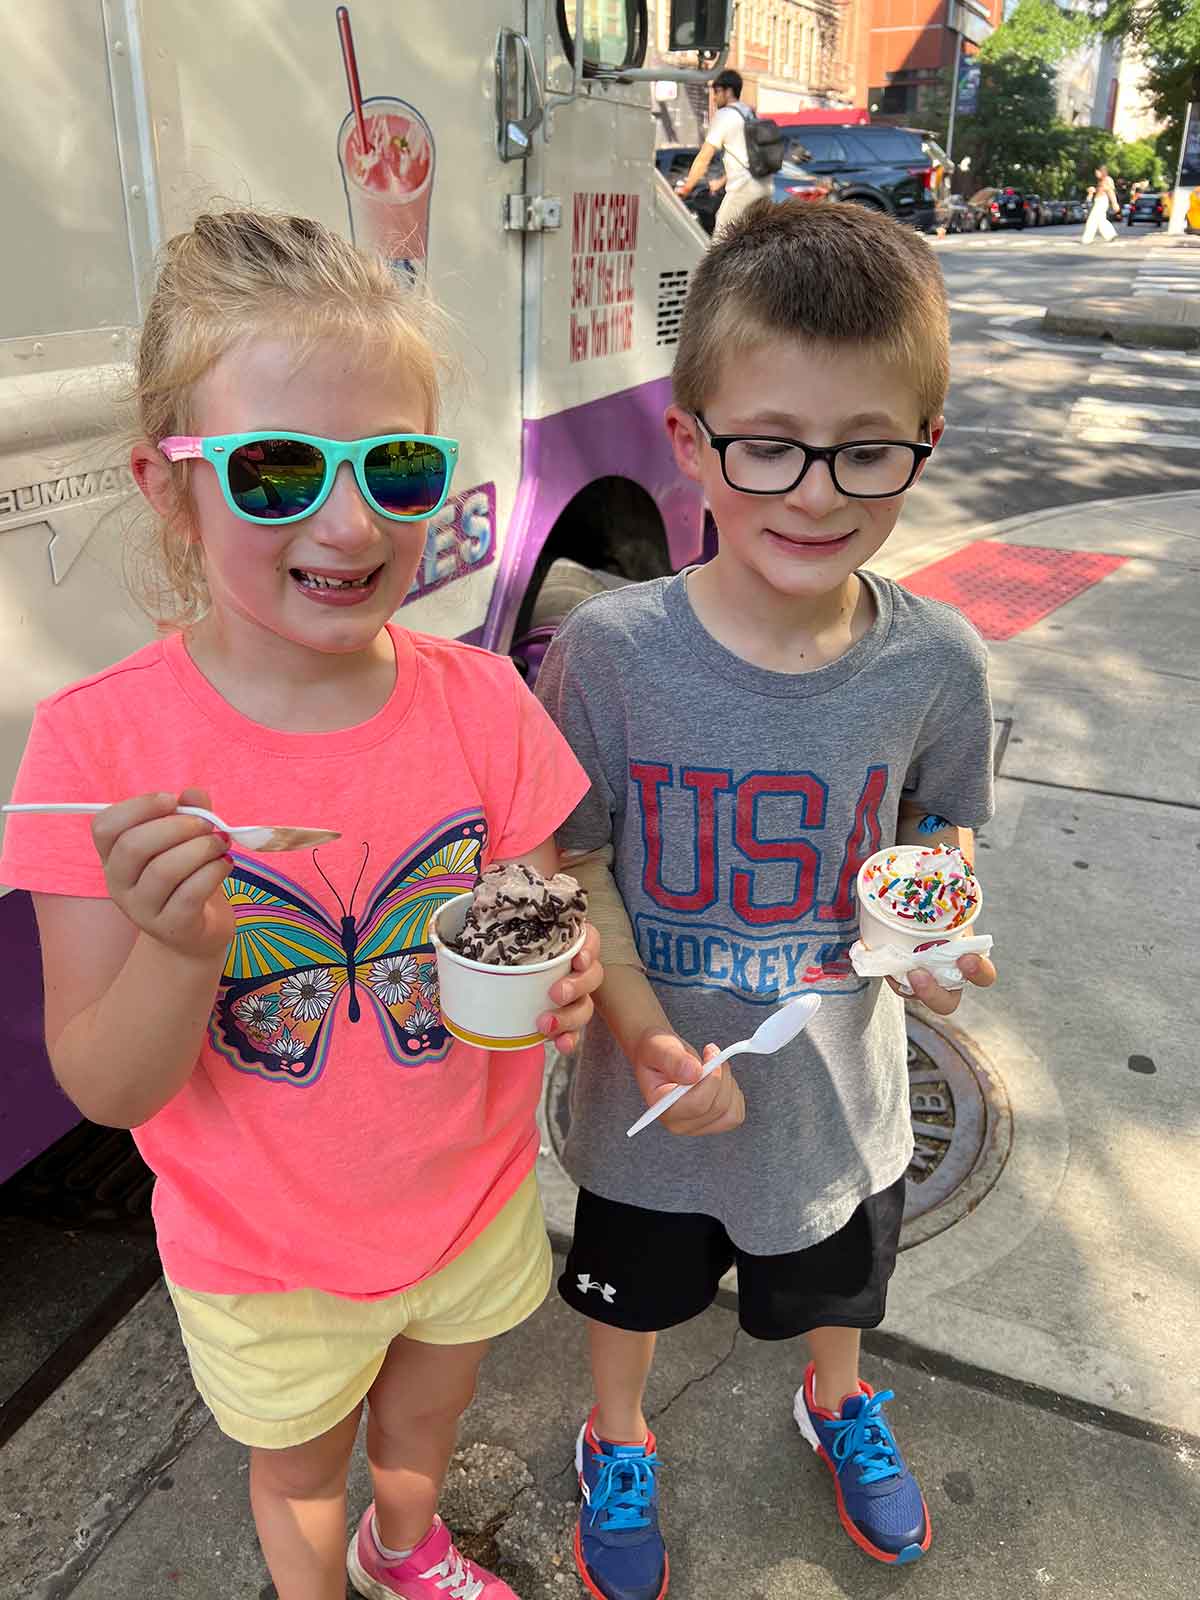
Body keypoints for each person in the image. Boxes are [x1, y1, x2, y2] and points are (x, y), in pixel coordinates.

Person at [0, 209, 604, 1600]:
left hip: (471, 1205)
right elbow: (105, 1084)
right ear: (170, 486)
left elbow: (533, 908)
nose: (350, 521)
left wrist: (559, 981)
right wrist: (175, 951)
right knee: (299, 1471)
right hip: (263, 1258)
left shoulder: (483, 703)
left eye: (395, 465)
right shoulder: (97, 752)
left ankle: (413, 1548)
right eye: (277, 471)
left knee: (425, 1424)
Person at [536, 198, 998, 1597]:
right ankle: (615, 1436)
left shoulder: (939, 665)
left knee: (837, 1290)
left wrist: (938, 926)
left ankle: (838, 1403)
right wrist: (635, 1019)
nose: (817, 492)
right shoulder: (608, 656)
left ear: (925, 443)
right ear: (690, 444)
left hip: (835, 1103)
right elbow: (576, 858)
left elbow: (944, 834)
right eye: (770, 446)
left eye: (868, 451)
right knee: (631, 1296)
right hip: (649, 1099)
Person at [676, 68, 774, 238]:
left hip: (744, 189)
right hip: (765, 186)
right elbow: (747, 158)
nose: (714, 98)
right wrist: (720, 182)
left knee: (722, 237)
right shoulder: (749, 113)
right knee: (752, 239)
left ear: (729, 91)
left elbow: (703, 158)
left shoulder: (725, 115)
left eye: (717, 92)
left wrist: (687, 187)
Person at [1082, 164, 1120, 244]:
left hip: (1102, 201)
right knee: (1101, 220)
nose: (1096, 174)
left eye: (1097, 172)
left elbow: (1110, 191)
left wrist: (1114, 203)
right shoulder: (1102, 180)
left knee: (1092, 220)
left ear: (1101, 171)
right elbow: (1102, 190)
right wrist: (1094, 190)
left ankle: (1087, 239)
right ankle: (1110, 234)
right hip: (1099, 201)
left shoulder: (1107, 179)